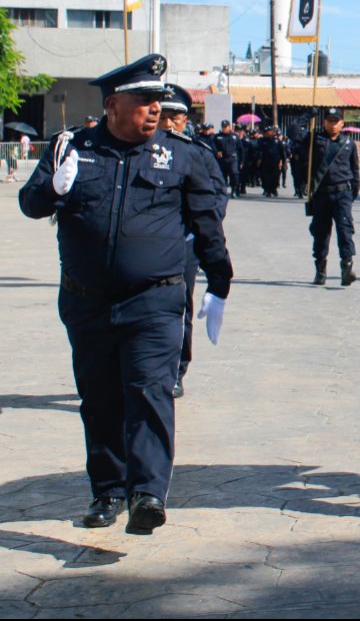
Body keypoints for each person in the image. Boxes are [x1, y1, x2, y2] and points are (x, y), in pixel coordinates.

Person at [17, 55, 232, 532]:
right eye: (143, 101)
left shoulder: (180, 154)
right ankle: (108, 491)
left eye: (158, 100)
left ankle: (147, 493)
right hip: (87, 300)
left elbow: (206, 223)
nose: (155, 109)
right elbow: (30, 206)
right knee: (100, 399)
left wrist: (220, 281)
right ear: (113, 104)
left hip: (153, 300)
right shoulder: (71, 147)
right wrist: (53, 188)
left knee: (150, 392)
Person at [158, 85, 228, 398]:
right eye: (164, 115)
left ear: (187, 119)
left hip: (184, 245)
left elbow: (216, 195)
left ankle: (176, 370)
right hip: (148, 245)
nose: (170, 123)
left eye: (177, 117)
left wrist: (202, 229)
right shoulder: (139, 150)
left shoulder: (198, 153)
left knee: (179, 309)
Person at [307, 108, 360, 286]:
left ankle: (346, 268)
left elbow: (354, 170)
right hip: (322, 194)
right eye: (329, 120)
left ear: (342, 123)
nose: (333, 124)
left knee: (345, 231)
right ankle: (320, 270)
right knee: (321, 233)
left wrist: (352, 193)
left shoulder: (348, 143)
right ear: (324, 122)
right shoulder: (315, 140)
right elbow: (293, 133)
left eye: (336, 121)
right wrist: (308, 115)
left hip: (342, 193)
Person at [213, 121, 240, 199]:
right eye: (223, 127)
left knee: (234, 173)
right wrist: (217, 152)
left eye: (226, 127)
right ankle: (223, 191)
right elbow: (213, 147)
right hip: (222, 159)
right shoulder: (217, 137)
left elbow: (240, 149)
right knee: (222, 176)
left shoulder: (234, 136)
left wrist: (241, 161)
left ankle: (234, 189)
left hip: (232, 158)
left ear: (229, 127)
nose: (224, 128)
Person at [258, 126, 285, 197]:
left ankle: (274, 189)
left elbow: (282, 152)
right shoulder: (263, 141)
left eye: (269, 131)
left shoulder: (277, 141)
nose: (268, 133)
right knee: (266, 177)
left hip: (275, 162)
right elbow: (260, 151)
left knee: (275, 177)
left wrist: (283, 162)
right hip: (265, 162)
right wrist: (259, 159)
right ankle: (268, 190)